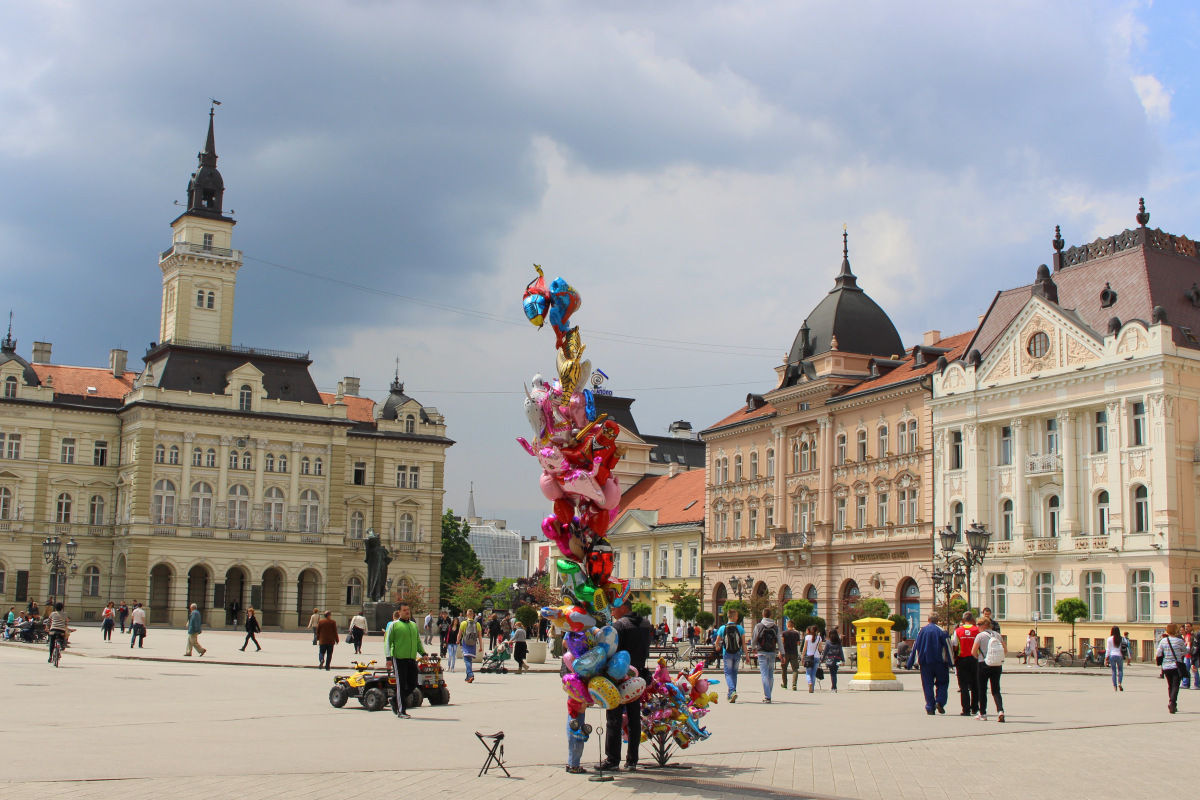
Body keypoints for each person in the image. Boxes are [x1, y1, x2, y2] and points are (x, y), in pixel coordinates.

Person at [597, 602, 652, 772]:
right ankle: (632, 760)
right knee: (634, 718)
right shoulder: (645, 623)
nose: (611, 612)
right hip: (637, 676)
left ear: (624, 608)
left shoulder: (620, 625)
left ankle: (612, 759)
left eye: (613, 608)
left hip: (619, 676)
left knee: (614, 718)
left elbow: (612, 649)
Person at [384, 603, 425, 718]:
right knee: (401, 684)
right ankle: (401, 711)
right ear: (399, 612)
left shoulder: (413, 625)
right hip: (399, 658)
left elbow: (417, 642)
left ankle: (394, 699)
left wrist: (423, 653)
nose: (407, 612)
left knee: (413, 684)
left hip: (411, 658)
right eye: (404, 610)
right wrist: (388, 658)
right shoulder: (394, 625)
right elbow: (388, 642)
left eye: (408, 610)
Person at [906, 613, 951, 715]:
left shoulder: (921, 631)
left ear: (928, 619)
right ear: (938, 620)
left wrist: (910, 662)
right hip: (940, 662)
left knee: (927, 685)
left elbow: (915, 647)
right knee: (942, 683)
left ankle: (930, 707)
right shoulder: (942, 631)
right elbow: (948, 647)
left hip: (925, 662)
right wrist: (951, 662)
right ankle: (940, 701)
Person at [972, 618, 1005, 722]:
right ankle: (1000, 711)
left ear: (985, 625)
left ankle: (983, 713)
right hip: (997, 664)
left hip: (983, 664)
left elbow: (973, 651)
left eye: (979, 624)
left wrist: (979, 658)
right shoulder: (997, 635)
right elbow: (1005, 650)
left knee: (982, 690)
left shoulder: (980, 636)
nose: (977, 626)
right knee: (996, 690)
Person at [951, 612, 980, 716]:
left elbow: (955, 645)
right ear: (973, 620)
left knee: (963, 686)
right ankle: (975, 708)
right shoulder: (977, 630)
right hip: (974, 659)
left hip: (962, 659)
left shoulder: (958, 631)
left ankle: (966, 709)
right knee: (975, 685)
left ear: (963, 620)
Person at [1157, 623, 1187, 714]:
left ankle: (1173, 704)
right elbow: (1185, 651)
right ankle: (1172, 702)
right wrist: (1179, 654)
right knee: (1175, 685)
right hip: (1176, 666)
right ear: (1176, 630)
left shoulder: (1163, 641)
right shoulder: (1179, 641)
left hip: (1166, 666)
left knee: (1170, 685)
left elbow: (1158, 653)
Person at [715, 610, 744, 703]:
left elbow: (717, 642)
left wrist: (717, 646)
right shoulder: (740, 628)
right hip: (737, 653)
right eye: (737, 616)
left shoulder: (722, 628)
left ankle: (732, 691)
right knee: (734, 673)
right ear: (734, 616)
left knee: (728, 673)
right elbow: (743, 643)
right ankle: (731, 693)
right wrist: (747, 656)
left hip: (727, 653)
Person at [752, 608, 779, 703]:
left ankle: (768, 696)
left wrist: (753, 647)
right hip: (772, 652)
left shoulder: (759, 626)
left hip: (762, 652)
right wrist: (782, 653)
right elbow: (779, 640)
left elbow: (754, 639)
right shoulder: (775, 627)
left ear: (763, 615)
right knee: (770, 674)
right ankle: (769, 693)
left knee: (764, 674)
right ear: (770, 615)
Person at [460, 609, 484, 683]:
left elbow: (459, 633)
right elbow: (480, 636)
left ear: (467, 615)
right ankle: (468, 677)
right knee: (469, 660)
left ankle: (470, 675)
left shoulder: (464, 623)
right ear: (473, 615)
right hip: (473, 644)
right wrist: (480, 647)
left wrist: (457, 641)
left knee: (466, 659)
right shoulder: (477, 624)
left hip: (466, 643)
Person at [780, 619, 801, 691]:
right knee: (795, 669)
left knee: (784, 669)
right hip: (794, 653)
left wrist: (781, 653)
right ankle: (794, 684)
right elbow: (798, 643)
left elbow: (782, 643)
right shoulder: (796, 633)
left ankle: (785, 684)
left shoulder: (784, 633)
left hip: (785, 653)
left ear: (788, 625)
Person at [802, 625, 824, 693]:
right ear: (817, 631)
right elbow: (820, 649)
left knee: (808, 673)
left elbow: (804, 648)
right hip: (817, 657)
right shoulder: (819, 638)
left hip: (809, 657)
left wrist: (803, 657)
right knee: (813, 674)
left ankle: (810, 683)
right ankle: (813, 688)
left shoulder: (807, 637)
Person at [1104, 624, 1124, 692]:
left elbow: (1108, 649)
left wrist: (1106, 658)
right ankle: (1119, 683)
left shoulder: (1109, 639)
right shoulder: (1121, 638)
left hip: (1112, 656)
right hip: (1120, 655)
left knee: (1113, 671)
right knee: (1120, 670)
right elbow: (1123, 647)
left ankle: (1115, 687)